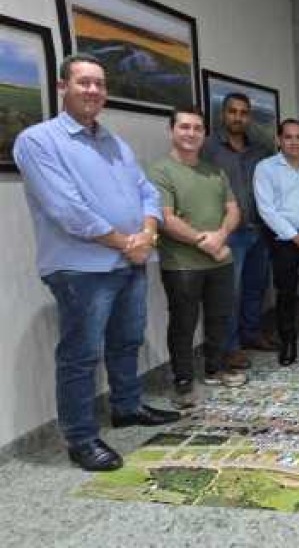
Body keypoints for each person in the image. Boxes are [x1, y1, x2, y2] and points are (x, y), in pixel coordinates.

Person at [13, 53, 179, 472]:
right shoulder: (38, 141)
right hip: (81, 270)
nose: (93, 90)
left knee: (127, 340)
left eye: (100, 84)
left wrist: (147, 234)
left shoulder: (115, 143)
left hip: (131, 261)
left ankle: (126, 406)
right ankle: (81, 437)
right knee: (81, 355)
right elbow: (68, 211)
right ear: (62, 87)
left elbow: (147, 192)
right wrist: (127, 243)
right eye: (84, 82)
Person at [148, 106, 247, 409]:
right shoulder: (160, 171)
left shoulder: (214, 171)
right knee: (183, 323)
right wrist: (207, 243)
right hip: (182, 264)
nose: (191, 133)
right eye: (184, 127)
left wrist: (221, 236)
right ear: (172, 131)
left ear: (204, 134)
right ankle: (183, 381)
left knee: (219, 317)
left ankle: (214, 368)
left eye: (197, 128)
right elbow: (165, 219)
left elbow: (233, 210)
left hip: (220, 260)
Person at [201, 92, 275, 368]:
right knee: (230, 292)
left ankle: (251, 333)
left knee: (256, 287)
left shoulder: (260, 149)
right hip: (229, 231)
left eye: (243, 113)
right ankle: (229, 347)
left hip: (260, 228)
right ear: (224, 114)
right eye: (233, 111)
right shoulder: (209, 148)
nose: (238, 117)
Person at [254, 118, 299, 366]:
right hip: (285, 239)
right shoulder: (266, 168)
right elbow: (266, 210)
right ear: (279, 139)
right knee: (286, 292)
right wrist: (296, 238)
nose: (294, 142)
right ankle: (288, 341)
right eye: (288, 137)